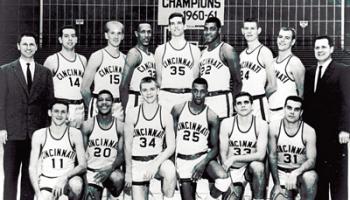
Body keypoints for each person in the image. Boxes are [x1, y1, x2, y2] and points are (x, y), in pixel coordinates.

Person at [0, 32, 54, 200]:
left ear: (36, 47)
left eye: (32, 44)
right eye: (25, 44)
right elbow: (1, 102)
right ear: (18, 46)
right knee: (10, 177)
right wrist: (2, 127)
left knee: (30, 178)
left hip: (35, 133)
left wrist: (46, 131)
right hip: (13, 133)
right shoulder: (5, 71)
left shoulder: (45, 72)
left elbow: (49, 103)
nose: (28, 48)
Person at [303, 35, 350, 200]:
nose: (320, 50)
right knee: (318, 179)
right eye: (317, 48)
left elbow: (347, 102)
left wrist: (345, 129)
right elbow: (307, 105)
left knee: (338, 180)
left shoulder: (343, 70)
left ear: (331, 49)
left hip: (335, 135)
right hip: (315, 136)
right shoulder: (309, 73)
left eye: (323, 47)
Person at [172, 78, 230, 200]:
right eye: (195, 91)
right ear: (191, 91)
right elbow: (170, 140)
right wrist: (173, 166)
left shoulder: (212, 116)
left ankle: (210, 197)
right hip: (183, 161)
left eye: (202, 91)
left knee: (224, 179)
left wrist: (203, 163)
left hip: (202, 157)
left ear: (207, 93)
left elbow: (215, 147)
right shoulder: (178, 109)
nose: (198, 95)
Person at [124, 77, 176, 200]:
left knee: (170, 169)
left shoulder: (165, 115)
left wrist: (155, 164)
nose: (149, 93)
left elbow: (171, 146)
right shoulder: (132, 113)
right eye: (145, 90)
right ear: (140, 92)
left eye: (152, 89)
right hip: (137, 163)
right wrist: (128, 171)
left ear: (158, 90)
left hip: (156, 162)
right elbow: (127, 145)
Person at [28, 100, 86, 200]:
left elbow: (83, 165)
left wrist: (64, 177)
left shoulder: (75, 134)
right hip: (47, 181)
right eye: (56, 111)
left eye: (63, 112)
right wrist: (38, 193)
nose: (59, 115)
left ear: (67, 114)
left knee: (76, 185)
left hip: (67, 182)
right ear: (50, 113)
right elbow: (32, 168)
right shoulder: (39, 134)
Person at [219, 92, 268, 200]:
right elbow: (223, 154)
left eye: (246, 102)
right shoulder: (226, 123)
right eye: (239, 103)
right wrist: (229, 181)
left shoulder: (261, 124)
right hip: (233, 170)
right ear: (235, 107)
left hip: (250, 168)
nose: (243, 105)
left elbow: (261, 155)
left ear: (252, 105)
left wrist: (235, 158)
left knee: (258, 166)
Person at [268, 96, 317, 199]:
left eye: (296, 109)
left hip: (300, 175)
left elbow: (312, 160)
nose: (292, 112)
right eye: (289, 108)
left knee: (311, 177)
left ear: (301, 112)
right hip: (281, 174)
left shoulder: (309, 131)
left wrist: (295, 173)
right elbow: (272, 156)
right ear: (284, 108)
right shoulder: (274, 127)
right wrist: (276, 184)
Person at [82, 90, 125, 199]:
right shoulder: (88, 125)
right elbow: (81, 155)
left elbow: (121, 154)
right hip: (92, 172)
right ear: (96, 104)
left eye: (108, 100)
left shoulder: (120, 126)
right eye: (100, 100)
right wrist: (85, 178)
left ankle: (113, 196)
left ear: (113, 104)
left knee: (118, 178)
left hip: (111, 171)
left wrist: (110, 168)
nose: (104, 103)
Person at [155, 12, 201, 111]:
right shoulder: (160, 50)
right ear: (169, 27)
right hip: (166, 97)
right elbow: (159, 79)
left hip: (186, 96)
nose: (176, 26)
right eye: (172, 23)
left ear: (185, 26)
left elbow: (195, 78)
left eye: (179, 23)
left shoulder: (194, 50)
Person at [43, 25, 87, 128]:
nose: (70, 39)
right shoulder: (52, 60)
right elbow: (44, 88)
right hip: (61, 107)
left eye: (73, 36)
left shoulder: (83, 60)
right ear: (60, 39)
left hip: (79, 107)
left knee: (77, 140)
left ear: (76, 39)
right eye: (66, 36)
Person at [81, 20, 126, 120]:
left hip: (118, 106)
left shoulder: (125, 59)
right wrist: (94, 105)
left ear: (123, 36)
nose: (116, 37)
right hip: (100, 104)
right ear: (106, 35)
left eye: (119, 33)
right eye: (112, 33)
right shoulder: (98, 56)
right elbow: (84, 89)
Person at [199, 17, 242, 119]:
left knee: (222, 134)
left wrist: (234, 103)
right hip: (206, 101)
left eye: (212, 29)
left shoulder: (226, 50)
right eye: (206, 29)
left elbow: (237, 82)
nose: (208, 32)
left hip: (221, 100)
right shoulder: (202, 53)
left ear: (219, 30)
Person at [240, 18, 276, 121]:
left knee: (261, 135)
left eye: (252, 28)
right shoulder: (242, 54)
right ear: (242, 31)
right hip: (243, 104)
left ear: (258, 30)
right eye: (246, 28)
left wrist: (261, 97)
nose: (249, 31)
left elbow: (273, 85)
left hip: (258, 102)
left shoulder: (264, 52)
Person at [269, 27, 305, 122]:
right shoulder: (271, 62)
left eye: (287, 38)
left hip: (285, 114)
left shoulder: (295, 62)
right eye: (280, 37)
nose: (282, 40)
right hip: (269, 112)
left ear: (293, 42)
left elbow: (301, 94)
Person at [120, 23, 155, 113]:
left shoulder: (152, 55)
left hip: (150, 100)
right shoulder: (134, 53)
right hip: (136, 99)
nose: (146, 35)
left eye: (149, 32)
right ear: (136, 34)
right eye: (143, 32)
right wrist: (124, 109)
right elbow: (123, 85)